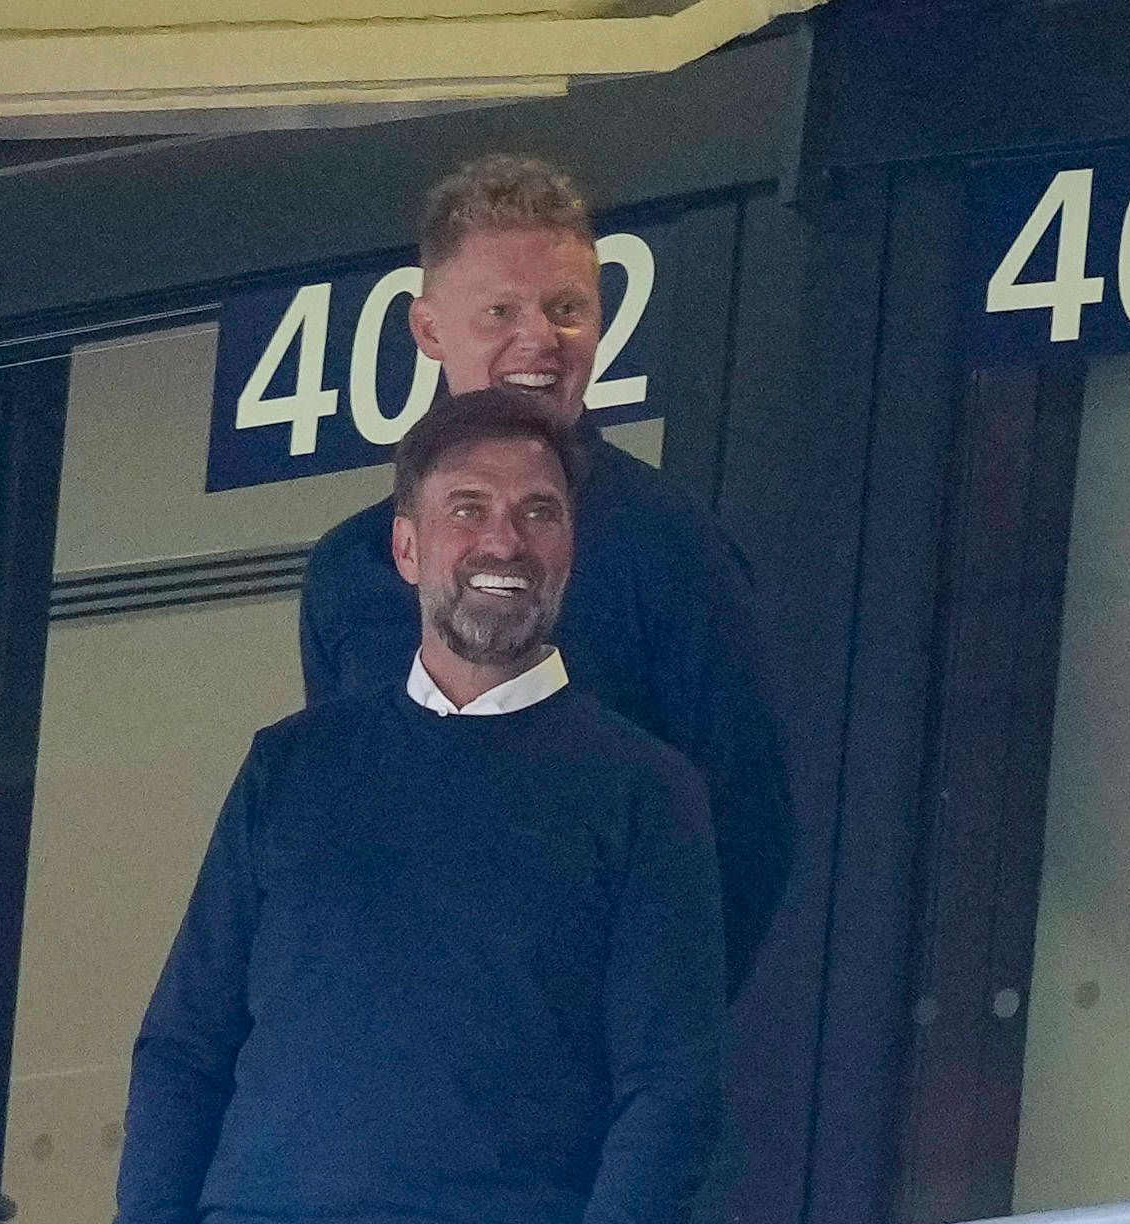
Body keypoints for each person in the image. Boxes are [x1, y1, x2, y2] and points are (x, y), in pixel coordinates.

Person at [114, 389, 726, 1224]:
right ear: (406, 545)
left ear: (570, 551)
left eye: (540, 513)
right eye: (468, 508)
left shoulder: (648, 790)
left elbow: (672, 1088)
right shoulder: (291, 767)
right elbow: (183, 1043)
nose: (504, 540)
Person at [298, 153, 791, 1000]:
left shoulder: (675, 551)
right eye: (500, 311)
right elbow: (337, 827)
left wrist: (650, 1043)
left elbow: (749, 833)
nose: (540, 340)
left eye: (568, 309)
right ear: (427, 330)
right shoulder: (349, 569)